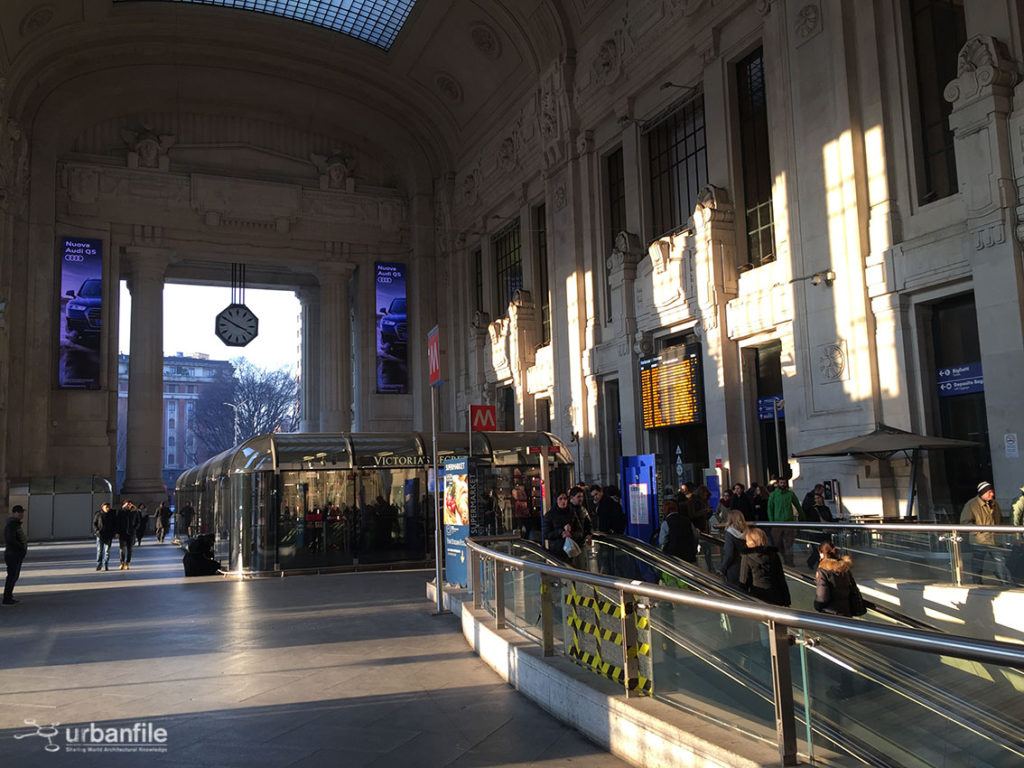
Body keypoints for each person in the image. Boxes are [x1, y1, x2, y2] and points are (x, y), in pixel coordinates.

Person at [813, 540, 866, 697]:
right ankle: (850, 683)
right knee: (847, 651)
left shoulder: (823, 571)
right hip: (846, 614)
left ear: (821, 553)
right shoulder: (844, 568)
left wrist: (816, 606)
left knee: (838, 653)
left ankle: (845, 687)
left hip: (831, 617)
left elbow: (822, 598)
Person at [960, 481, 1002, 584]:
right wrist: (980, 531)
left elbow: (999, 519)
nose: (992, 494)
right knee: (978, 563)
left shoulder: (995, 504)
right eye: (989, 492)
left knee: (1001, 561)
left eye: (992, 491)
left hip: (994, 540)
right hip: (979, 540)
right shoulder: (971, 505)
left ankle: (1004, 579)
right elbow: (965, 523)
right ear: (982, 493)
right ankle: (977, 582)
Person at [738, 526, 790, 606]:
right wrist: (787, 600)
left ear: (750, 541)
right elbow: (781, 578)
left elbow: (744, 580)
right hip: (776, 595)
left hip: (757, 595)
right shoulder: (773, 554)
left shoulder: (747, 556)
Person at [543, 491, 587, 566]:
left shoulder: (571, 512)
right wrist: (560, 532)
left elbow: (580, 531)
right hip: (556, 552)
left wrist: (571, 534)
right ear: (556, 500)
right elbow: (546, 534)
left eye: (565, 498)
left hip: (571, 551)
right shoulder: (550, 515)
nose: (563, 501)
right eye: (560, 499)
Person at [767, 477, 801, 566]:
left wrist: (802, 516)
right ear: (778, 484)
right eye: (781, 483)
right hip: (777, 523)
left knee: (789, 543)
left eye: (784, 483)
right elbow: (770, 508)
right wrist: (772, 521)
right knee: (777, 542)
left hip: (788, 522)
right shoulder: (773, 495)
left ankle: (789, 561)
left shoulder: (790, 494)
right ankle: (783, 558)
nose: (783, 484)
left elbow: (797, 505)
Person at [3, 505, 27, 605]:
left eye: (22, 512)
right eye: (19, 512)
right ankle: (7, 598)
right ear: (14, 513)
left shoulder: (15, 524)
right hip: (13, 554)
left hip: (16, 554)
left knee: (14, 576)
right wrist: (20, 547)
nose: (22, 514)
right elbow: (10, 539)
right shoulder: (12, 525)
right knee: (12, 576)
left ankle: (9, 595)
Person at [717, 509, 747, 586]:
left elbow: (729, 554)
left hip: (733, 568)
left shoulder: (730, 533)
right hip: (745, 566)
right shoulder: (747, 532)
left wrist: (722, 569)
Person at [92, 502, 117, 571]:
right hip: (100, 535)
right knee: (99, 551)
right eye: (106, 507)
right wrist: (97, 531)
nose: (108, 509)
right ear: (102, 507)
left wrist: (114, 533)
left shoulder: (111, 515)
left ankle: (106, 563)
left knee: (107, 551)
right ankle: (99, 564)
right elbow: (94, 523)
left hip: (108, 535)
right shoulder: (98, 514)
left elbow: (115, 524)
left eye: (108, 507)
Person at [116, 500, 140, 570]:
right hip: (122, 533)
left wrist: (134, 528)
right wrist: (117, 532)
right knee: (122, 549)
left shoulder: (135, 512)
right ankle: (122, 562)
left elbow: (138, 521)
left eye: (130, 504)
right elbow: (118, 522)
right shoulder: (121, 512)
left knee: (130, 549)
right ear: (124, 505)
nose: (128, 506)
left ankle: (128, 563)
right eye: (127, 504)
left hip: (131, 533)